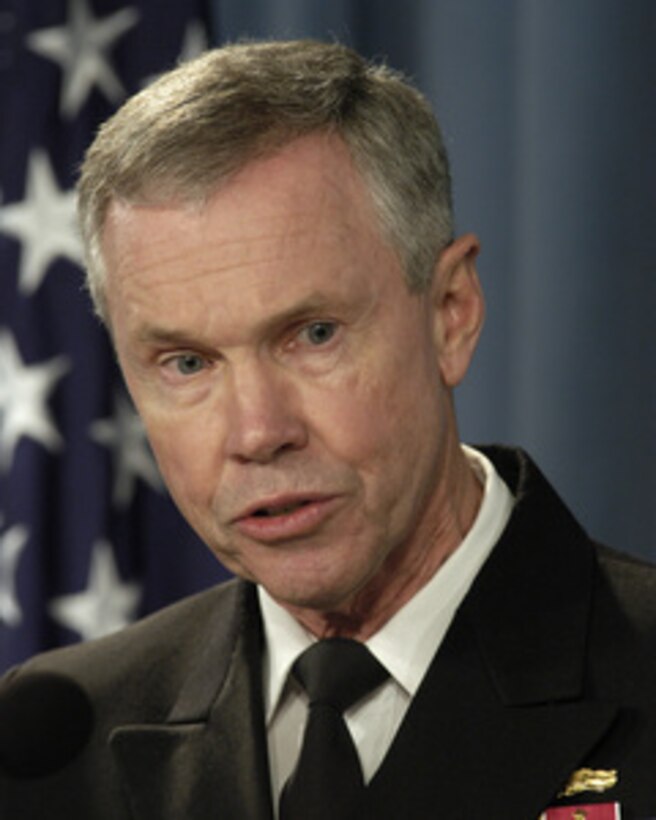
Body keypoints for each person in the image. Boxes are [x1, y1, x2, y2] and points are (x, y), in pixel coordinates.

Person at [1, 39, 655, 820]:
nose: (257, 431)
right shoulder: (47, 748)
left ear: (451, 313)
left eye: (313, 335)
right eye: (186, 363)